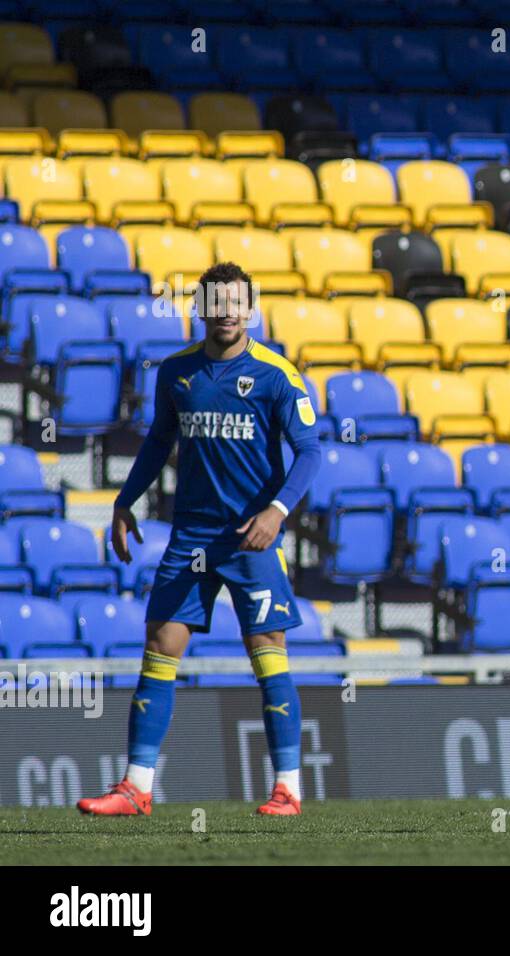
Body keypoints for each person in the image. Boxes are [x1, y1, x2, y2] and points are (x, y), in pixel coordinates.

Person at [78, 262, 322, 817]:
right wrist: (124, 500)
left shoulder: (276, 375)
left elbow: (311, 451)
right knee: (160, 648)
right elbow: (158, 441)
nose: (228, 311)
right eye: (218, 302)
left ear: (250, 308)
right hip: (191, 537)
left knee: (269, 656)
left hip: (250, 539)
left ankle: (289, 788)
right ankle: (136, 787)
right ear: (202, 308)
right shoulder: (176, 374)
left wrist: (277, 511)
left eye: (238, 302)